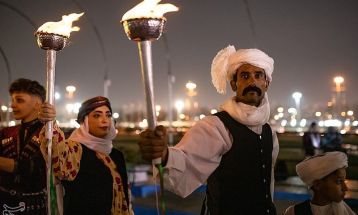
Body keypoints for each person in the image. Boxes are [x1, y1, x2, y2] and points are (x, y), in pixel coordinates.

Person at [139, 46, 279, 215]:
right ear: (234, 84)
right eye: (245, 76)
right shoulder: (217, 126)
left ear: (267, 83)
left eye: (258, 76)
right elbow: (187, 159)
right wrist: (164, 155)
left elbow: (268, 183)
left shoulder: (269, 132)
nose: (252, 82)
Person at [40, 96, 133, 215]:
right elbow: (57, 154)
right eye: (97, 115)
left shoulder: (116, 155)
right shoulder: (75, 150)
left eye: (108, 115)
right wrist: (50, 122)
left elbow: (126, 194)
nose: (105, 120)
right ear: (85, 121)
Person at [0, 78, 48, 214]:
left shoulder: (49, 133)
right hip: (4, 202)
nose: (13, 105)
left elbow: (35, 167)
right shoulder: (6, 132)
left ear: (38, 104)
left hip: (35, 206)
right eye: (13, 100)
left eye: (19, 100)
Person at [284, 151, 355, 215]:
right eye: (339, 181)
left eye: (343, 181)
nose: (345, 188)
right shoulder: (294, 212)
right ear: (317, 185)